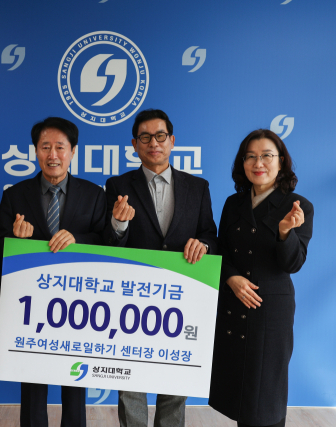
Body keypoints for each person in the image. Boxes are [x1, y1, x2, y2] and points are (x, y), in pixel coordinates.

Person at [103, 109, 218, 427]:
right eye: (145, 137)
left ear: (172, 140)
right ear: (134, 144)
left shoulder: (198, 187)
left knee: (175, 384)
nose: (153, 143)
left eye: (160, 136)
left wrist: (204, 245)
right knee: (131, 384)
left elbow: (210, 234)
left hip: (182, 298)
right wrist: (118, 223)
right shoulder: (117, 185)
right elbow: (108, 243)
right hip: (132, 300)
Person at [0, 117, 106, 427]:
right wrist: (15, 240)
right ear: (35, 151)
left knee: (75, 380)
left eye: (60, 147)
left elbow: (106, 241)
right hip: (32, 305)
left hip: (79, 304)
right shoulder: (15, 195)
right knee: (32, 383)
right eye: (45, 147)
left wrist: (78, 239)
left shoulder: (94, 194)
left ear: (73, 151)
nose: (53, 155)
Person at [208, 129, 313, 427]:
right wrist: (231, 278)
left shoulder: (299, 205)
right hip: (233, 303)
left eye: (267, 155)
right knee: (240, 395)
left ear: (281, 162)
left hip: (270, 311)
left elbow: (294, 263)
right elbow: (221, 250)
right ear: (242, 163)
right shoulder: (233, 203)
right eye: (250, 156)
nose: (258, 163)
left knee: (266, 397)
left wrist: (285, 232)